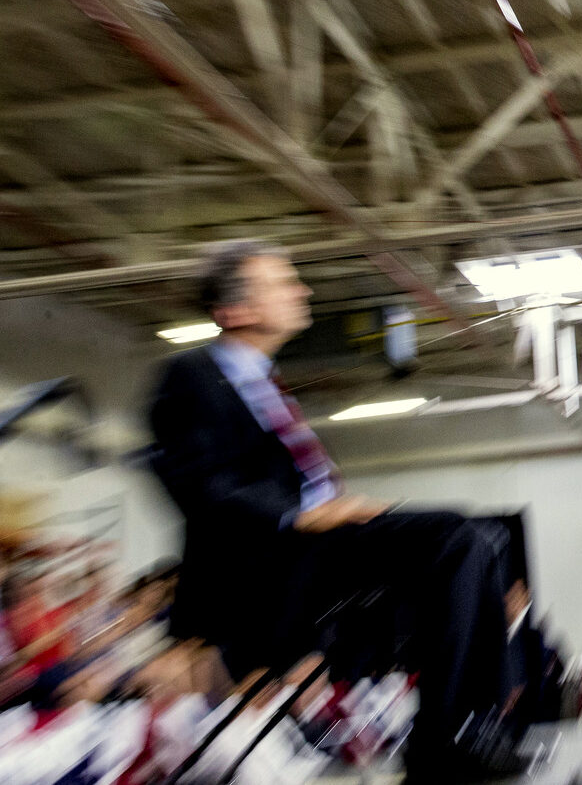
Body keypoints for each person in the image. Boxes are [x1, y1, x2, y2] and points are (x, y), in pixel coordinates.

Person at [146, 240, 530, 781]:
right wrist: (298, 515)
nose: (300, 290)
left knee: (476, 538)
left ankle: (467, 728)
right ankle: (446, 738)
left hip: (319, 550)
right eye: (283, 282)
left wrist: (334, 509)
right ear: (237, 311)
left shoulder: (264, 381)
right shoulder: (190, 374)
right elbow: (199, 483)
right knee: (452, 536)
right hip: (267, 564)